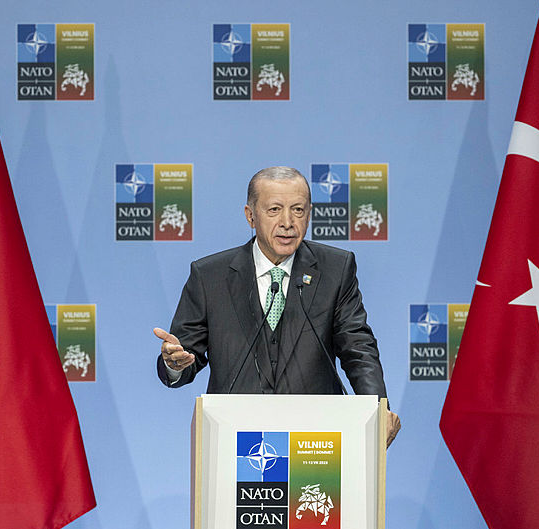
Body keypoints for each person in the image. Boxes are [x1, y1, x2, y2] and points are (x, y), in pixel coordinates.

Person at [154, 166, 401, 446]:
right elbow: (184, 355)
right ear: (250, 215)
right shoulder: (210, 276)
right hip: (236, 441)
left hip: (314, 441)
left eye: (298, 210)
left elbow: (357, 347)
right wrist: (174, 363)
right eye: (274, 210)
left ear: (309, 214)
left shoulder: (336, 269)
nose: (287, 222)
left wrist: (378, 408)